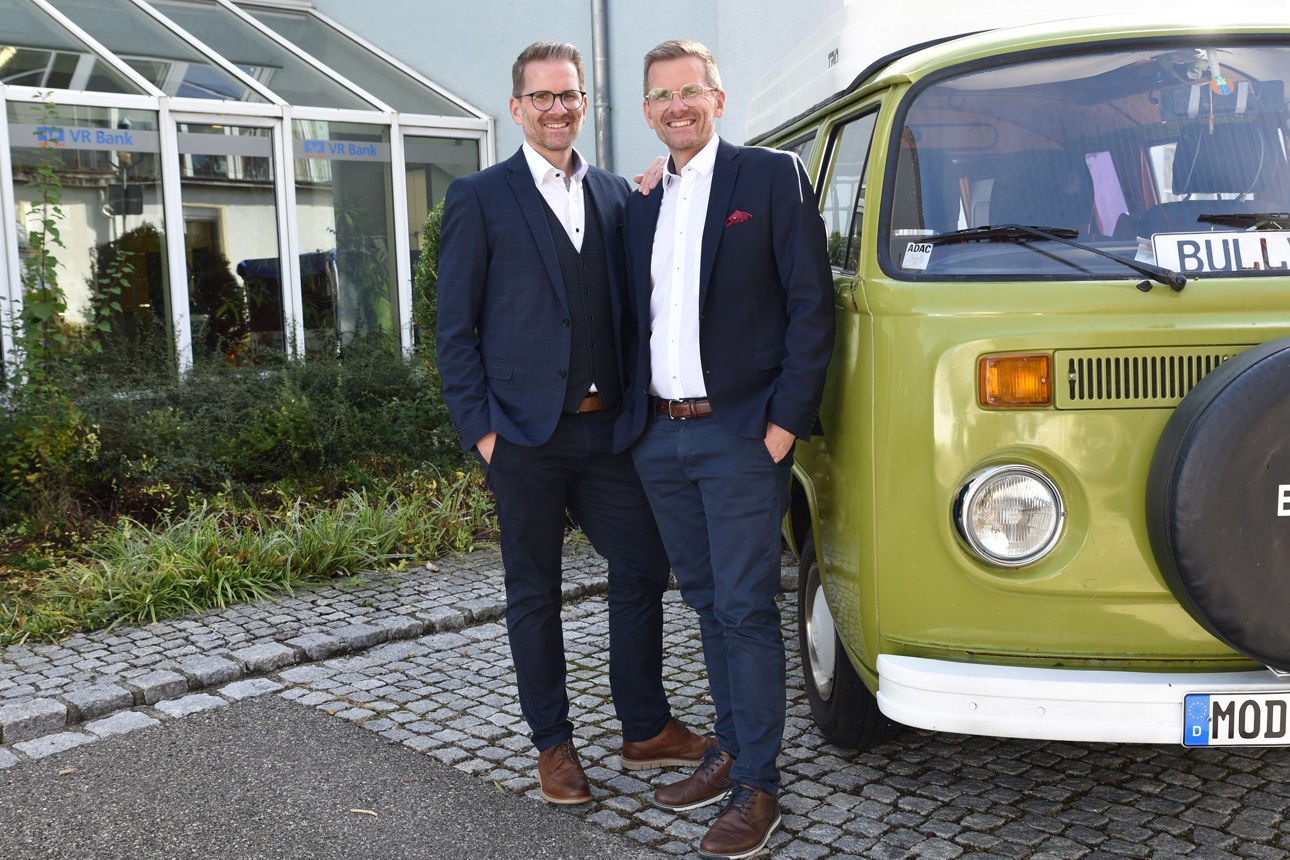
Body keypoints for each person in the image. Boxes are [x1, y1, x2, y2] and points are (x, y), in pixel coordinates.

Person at [435, 40, 710, 806]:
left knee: (643, 565)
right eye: (543, 97)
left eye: (569, 96)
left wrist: (663, 184)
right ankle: (553, 746)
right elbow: (453, 333)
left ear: (585, 103)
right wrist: (484, 436)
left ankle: (645, 726)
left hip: (607, 432)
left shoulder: (618, 195)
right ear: (517, 107)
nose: (558, 109)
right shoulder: (479, 198)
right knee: (535, 591)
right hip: (522, 438)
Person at [618, 39, 835, 859]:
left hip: (743, 435)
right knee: (708, 602)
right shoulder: (644, 201)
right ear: (648, 112)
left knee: (745, 608)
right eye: (660, 96)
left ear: (716, 97)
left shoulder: (771, 177)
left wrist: (784, 423)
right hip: (660, 436)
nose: (676, 106)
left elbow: (811, 305)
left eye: (689, 91)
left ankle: (759, 787)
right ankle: (734, 750)